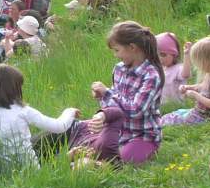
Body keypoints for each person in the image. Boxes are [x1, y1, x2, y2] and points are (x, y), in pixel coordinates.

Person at [65, 21, 165, 166]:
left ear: (132, 48)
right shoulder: (119, 69)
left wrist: (107, 93)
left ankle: (95, 164)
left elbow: (136, 110)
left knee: (122, 159)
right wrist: (102, 97)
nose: (115, 55)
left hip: (142, 136)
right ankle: (88, 158)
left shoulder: (151, 75)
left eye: (117, 50)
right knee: (97, 146)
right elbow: (114, 106)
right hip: (118, 131)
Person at [163, 37, 210, 126]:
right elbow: (203, 87)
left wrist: (195, 95)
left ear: (208, 60)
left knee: (171, 121)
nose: (197, 66)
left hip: (207, 117)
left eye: (198, 62)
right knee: (175, 114)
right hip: (199, 112)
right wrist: (189, 87)